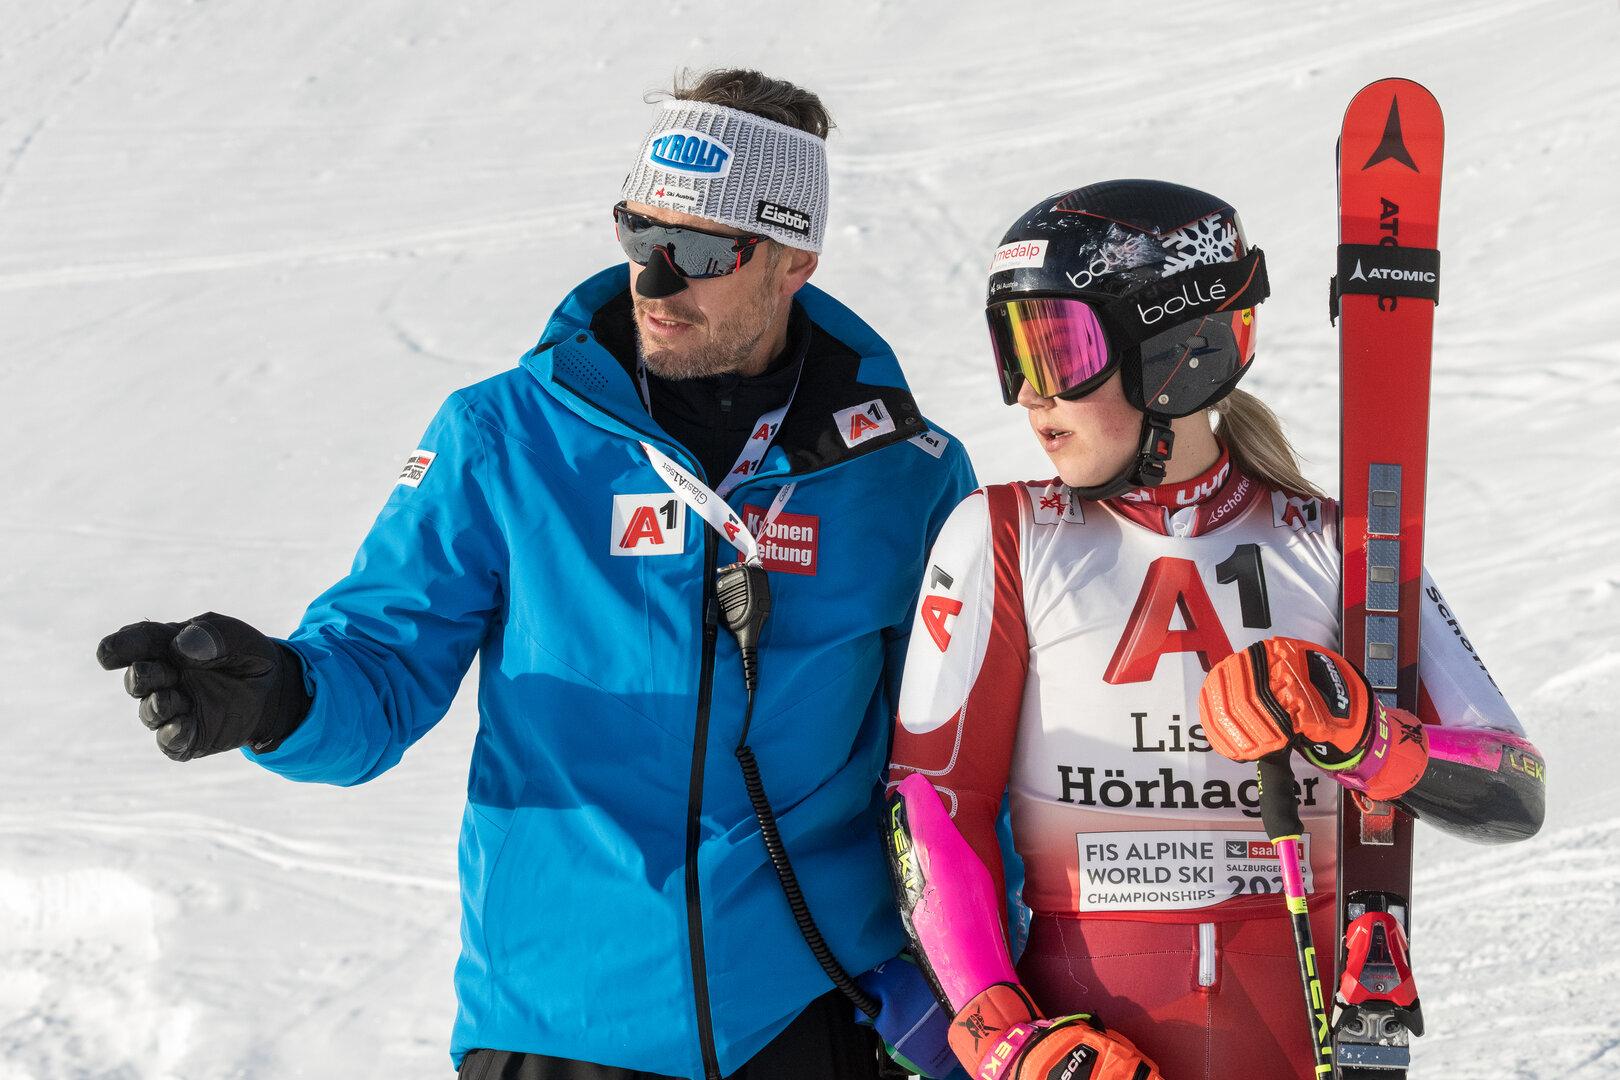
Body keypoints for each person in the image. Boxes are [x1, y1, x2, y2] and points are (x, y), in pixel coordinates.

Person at [94, 69, 975, 1080]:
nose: (653, 282)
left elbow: (957, 764)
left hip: (811, 1022)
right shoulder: (505, 436)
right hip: (560, 1030)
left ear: (793, 260)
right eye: (637, 236)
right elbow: (380, 663)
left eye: (695, 251)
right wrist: (280, 700)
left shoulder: (905, 476)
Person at [882, 180, 1546, 1080]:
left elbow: (1514, 784)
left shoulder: (1338, 546)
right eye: (1018, 355)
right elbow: (930, 807)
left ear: (1177, 352)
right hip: (1088, 1045)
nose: (1031, 399)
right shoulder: (1004, 535)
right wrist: (1006, 1039)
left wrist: (1360, 731)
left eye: (1062, 350)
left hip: (1297, 1032)